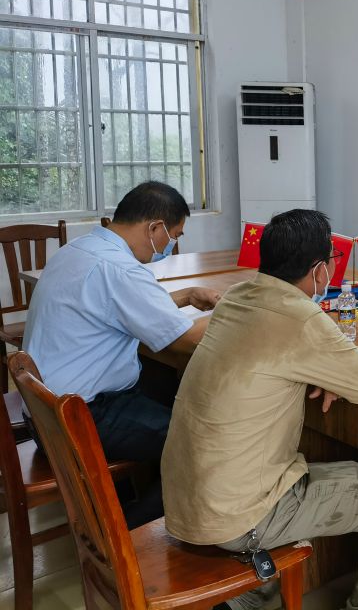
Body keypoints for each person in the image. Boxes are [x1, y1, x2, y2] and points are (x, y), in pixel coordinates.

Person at [162, 209, 358, 610]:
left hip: (186, 500)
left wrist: (319, 370)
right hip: (236, 515)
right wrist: (328, 372)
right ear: (320, 270)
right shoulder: (301, 318)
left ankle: (249, 598)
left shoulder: (237, 297)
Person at [22, 181, 219, 527]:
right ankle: (124, 534)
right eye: (174, 236)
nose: (171, 245)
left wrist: (186, 295)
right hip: (81, 418)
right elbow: (186, 339)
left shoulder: (80, 249)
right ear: (155, 228)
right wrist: (243, 311)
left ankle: (130, 499)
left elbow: (114, 305)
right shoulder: (120, 269)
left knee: (168, 388)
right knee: (205, 444)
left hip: (45, 413)